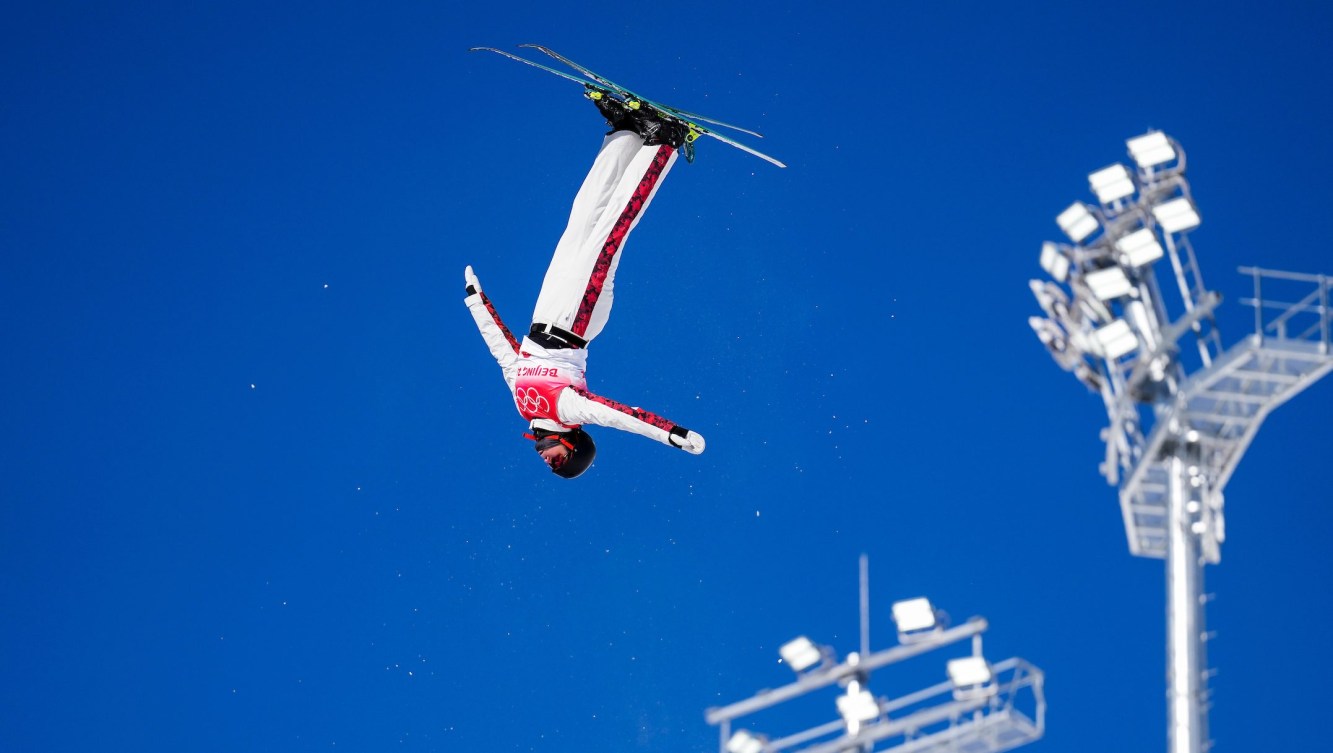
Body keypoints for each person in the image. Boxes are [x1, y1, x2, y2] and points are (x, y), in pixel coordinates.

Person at [464, 95, 707, 478]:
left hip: (543, 314)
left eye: (549, 463)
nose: (547, 459)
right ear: (574, 445)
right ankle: (666, 142)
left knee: (581, 219)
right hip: (576, 322)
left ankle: (627, 134)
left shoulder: (524, 405)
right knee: (610, 230)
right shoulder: (570, 410)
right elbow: (620, 416)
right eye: (559, 461)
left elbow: (505, 354)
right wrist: (673, 434)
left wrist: (476, 302)